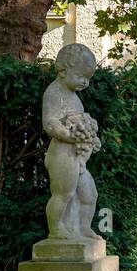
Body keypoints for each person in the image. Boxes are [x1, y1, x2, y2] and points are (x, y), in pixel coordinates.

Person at [43, 43, 103, 241]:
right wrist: (71, 136)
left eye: (88, 79)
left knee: (89, 195)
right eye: (81, 77)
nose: (85, 82)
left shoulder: (74, 96)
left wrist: (91, 137)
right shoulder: (54, 93)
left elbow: (80, 122)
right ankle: (55, 230)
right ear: (63, 70)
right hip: (62, 153)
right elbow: (50, 124)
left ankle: (83, 228)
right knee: (64, 193)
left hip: (77, 155)